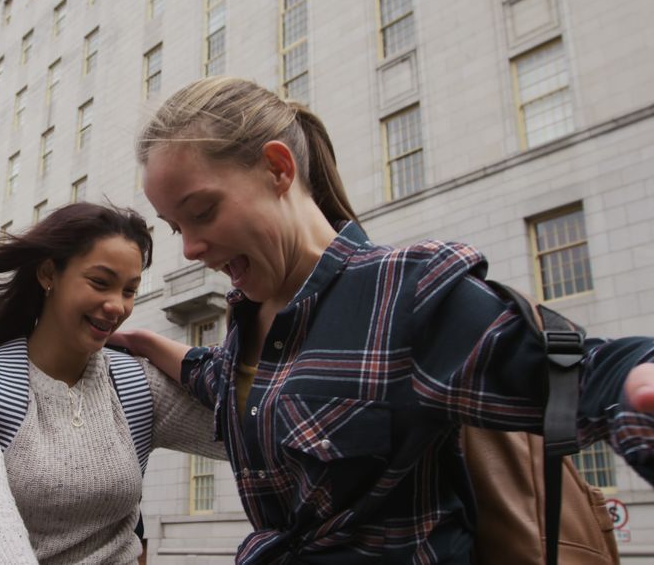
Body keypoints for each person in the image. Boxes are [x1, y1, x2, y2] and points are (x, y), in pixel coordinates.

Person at [110, 76, 654, 564]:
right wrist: (144, 342)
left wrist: (634, 385)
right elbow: (218, 376)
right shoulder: (247, 321)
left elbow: (585, 374)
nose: (190, 249)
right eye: (175, 227)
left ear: (279, 169)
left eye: (202, 212)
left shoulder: (406, 292)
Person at [0, 202, 225, 564]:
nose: (116, 305)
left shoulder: (136, 385)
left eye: (129, 291)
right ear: (48, 274)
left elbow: (259, 431)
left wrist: (157, 346)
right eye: (100, 283)